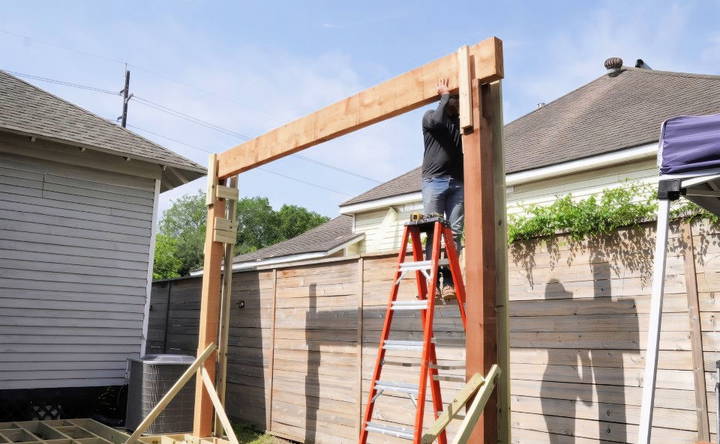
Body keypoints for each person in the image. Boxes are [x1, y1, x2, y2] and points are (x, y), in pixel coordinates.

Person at [421, 78, 463, 299]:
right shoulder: (430, 116)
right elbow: (437, 122)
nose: (455, 101)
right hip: (434, 181)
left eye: (456, 97)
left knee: (455, 234)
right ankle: (432, 284)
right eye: (453, 98)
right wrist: (444, 97)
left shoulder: (460, 124)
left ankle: (448, 282)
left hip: (457, 183)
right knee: (434, 233)